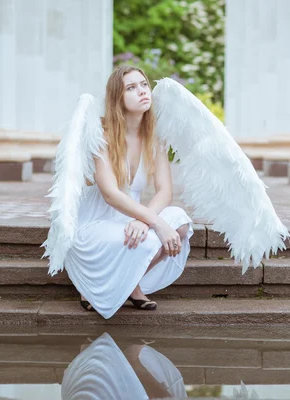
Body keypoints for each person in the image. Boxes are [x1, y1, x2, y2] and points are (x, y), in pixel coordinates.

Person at [64, 65, 193, 319]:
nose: (143, 91)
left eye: (144, 84)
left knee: (179, 222)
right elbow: (110, 194)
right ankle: (96, 286)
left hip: (132, 220)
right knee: (153, 234)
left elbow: (165, 191)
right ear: (118, 98)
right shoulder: (101, 136)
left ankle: (130, 284)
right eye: (131, 88)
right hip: (96, 222)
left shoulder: (155, 138)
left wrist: (145, 220)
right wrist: (152, 221)